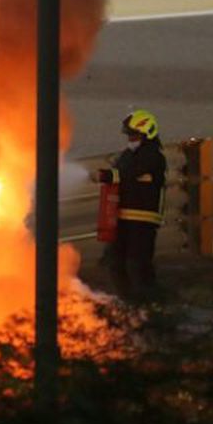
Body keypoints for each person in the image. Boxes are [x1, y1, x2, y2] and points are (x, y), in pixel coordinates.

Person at [90, 109, 167, 301]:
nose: (131, 139)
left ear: (147, 133)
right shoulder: (127, 155)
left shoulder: (154, 157)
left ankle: (150, 305)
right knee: (114, 262)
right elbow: (120, 171)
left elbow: (128, 174)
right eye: (129, 135)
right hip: (122, 217)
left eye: (134, 135)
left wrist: (109, 176)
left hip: (143, 220)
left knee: (137, 263)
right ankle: (128, 303)